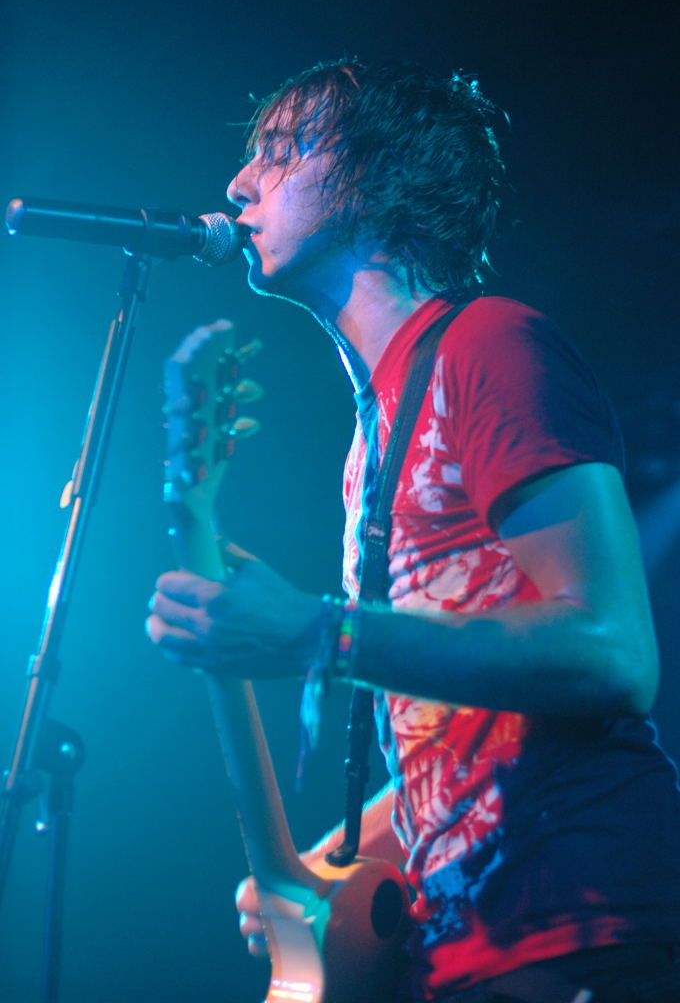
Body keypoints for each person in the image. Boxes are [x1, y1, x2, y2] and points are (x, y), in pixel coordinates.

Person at [146, 59, 680, 1002]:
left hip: (583, 931)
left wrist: (321, 634)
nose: (237, 184)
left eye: (280, 150)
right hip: (463, 955)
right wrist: (322, 872)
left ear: (377, 174)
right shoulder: (371, 440)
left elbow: (613, 653)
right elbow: (461, 739)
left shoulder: (489, 342)